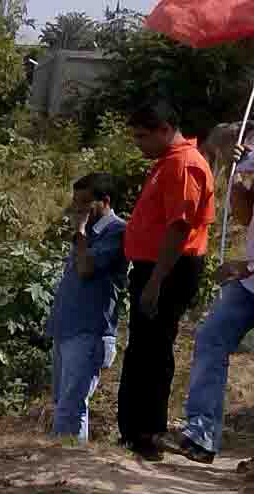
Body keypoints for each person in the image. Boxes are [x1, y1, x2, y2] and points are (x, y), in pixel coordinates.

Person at [116, 102, 217, 461]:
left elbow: (179, 226)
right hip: (155, 267)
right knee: (143, 347)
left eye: (142, 136)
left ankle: (147, 433)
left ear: (164, 129)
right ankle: (134, 430)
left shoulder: (183, 165)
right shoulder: (168, 162)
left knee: (153, 349)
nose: (138, 144)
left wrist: (156, 281)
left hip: (169, 268)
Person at [178, 141, 254, 463]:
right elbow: (242, 214)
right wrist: (237, 177)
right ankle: (202, 433)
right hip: (249, 285)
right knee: (211, 339)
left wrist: (246, 266)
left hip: (248, 272)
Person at [47, 173, 128, 442]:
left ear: (104, 202)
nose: (78, 210)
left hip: (90, 332)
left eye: (84, 203)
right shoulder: (89, 232)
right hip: (67, 329)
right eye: (75, 203)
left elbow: (85, 269)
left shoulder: (116, 231)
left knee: (71, 406)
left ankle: (68, 468)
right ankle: (65, 467)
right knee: (62, 403)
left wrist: (79, 232)